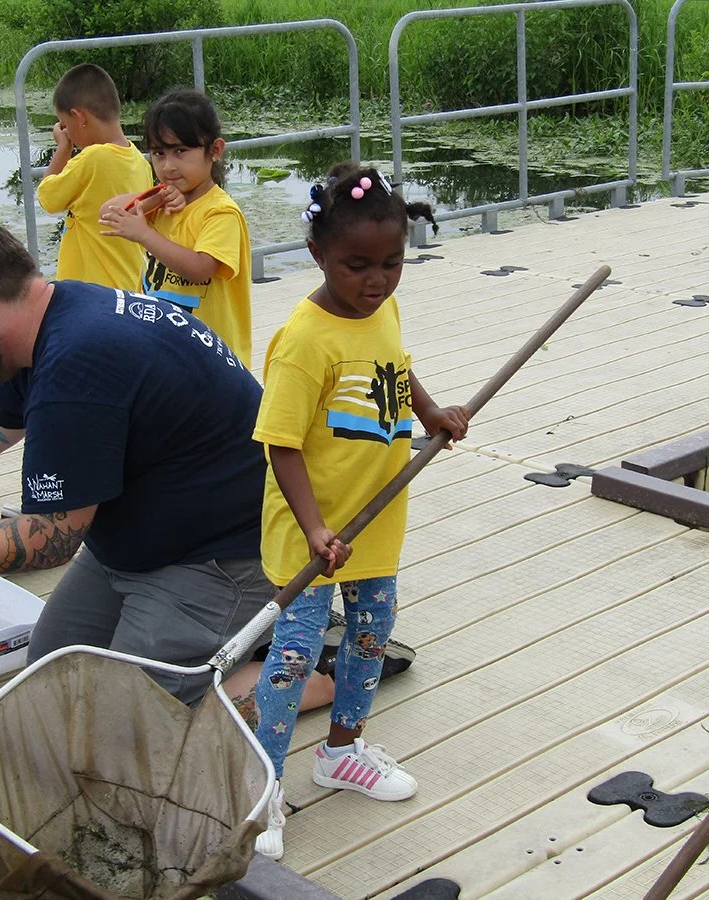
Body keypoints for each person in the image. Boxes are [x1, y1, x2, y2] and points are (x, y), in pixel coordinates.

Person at [0, 217, 270, 705]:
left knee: (122, 717)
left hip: (223, 556)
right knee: (45, 683)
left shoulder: (76, 365)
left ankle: (302, 669)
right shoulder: (55, 314)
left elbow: (51, 540)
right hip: (133, 543)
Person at [251, 163, 467, 860]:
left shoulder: (383, 311)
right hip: (313, 533)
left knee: (372, 636)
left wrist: (431, 410)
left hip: (374, 522)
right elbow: (280, 447)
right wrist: (315, 528)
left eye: (392, 263)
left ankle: (342, 751)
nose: (376, 280)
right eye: (357, 266)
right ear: (317, 254)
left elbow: (395, 368)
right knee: (292, 657)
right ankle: (262, 786)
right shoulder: (304, 340)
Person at [98, 88, 254, 368]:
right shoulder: (161, 202)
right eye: (159, 153)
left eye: (180, 151)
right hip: (162, 352)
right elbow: (108, 212)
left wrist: (145, 234)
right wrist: (157, 196)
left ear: (215, 150)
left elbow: (200, 268)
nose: (168, 166)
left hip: (213, 362)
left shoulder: (220, 212)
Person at [36, 63, 158, 289]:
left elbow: (47, 197)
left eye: (66, 124)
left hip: (90, 295)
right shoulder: (140, 162)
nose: (66, 132)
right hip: (127, 289)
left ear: (79, 117)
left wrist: (63, 148)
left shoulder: (93, 158)